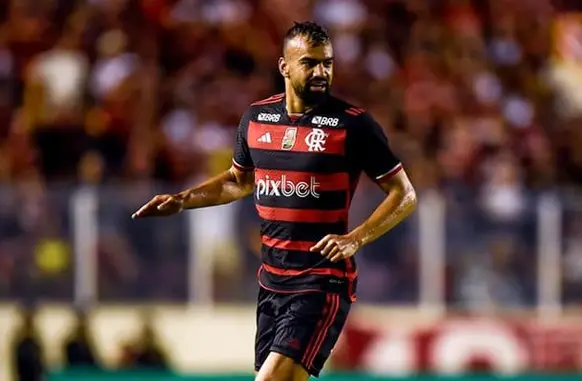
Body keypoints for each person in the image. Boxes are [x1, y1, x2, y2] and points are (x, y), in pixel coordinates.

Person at [133, 21, 417, 381]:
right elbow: (239, 182)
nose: (321, 72)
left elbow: (404, 193)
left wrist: (355, 238)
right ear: (284, 66)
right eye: (310, 63)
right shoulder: (255, 119)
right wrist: (182, 200)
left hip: (320, 281)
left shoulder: (353, 125)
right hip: (270, 284)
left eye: (327, 63)